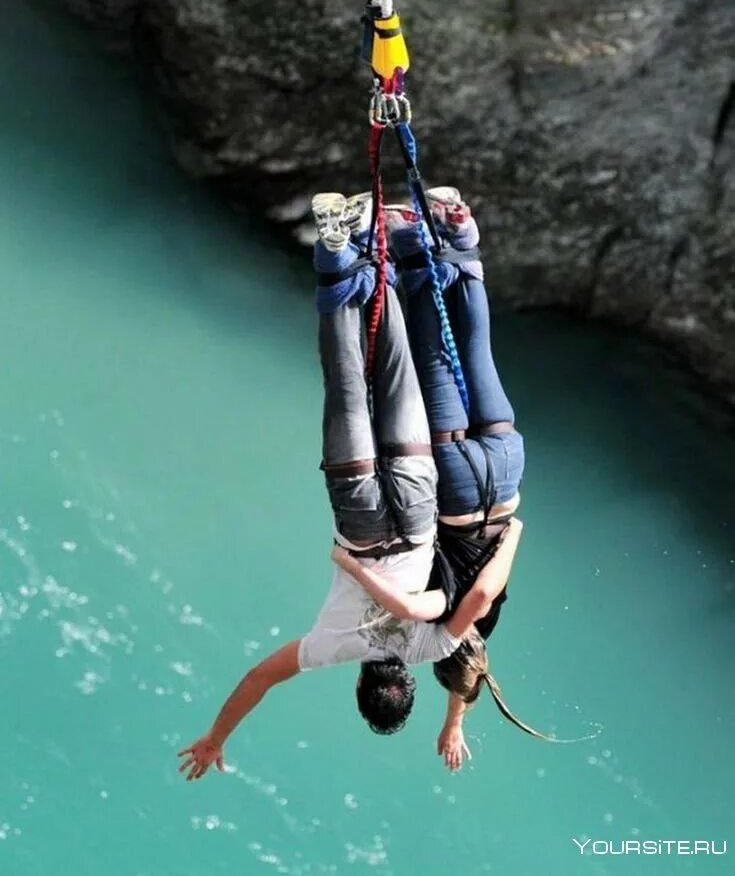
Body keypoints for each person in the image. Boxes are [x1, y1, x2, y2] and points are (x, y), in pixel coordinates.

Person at [178, 192, 494, 782]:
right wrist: (214, 738)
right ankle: (336, 248)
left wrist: (455, 723)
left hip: (419, 505)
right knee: (348, 385)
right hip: (360, 518)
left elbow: (472, 652)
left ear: (404, 683)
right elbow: (258, 680)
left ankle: (377, 256)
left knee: (395, 371)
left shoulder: (429, 650)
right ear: (358, 682)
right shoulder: (328, 647)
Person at [332, 187, 527, 771]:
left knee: (475, 349)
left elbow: (469, 664)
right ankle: (416, 240)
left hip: (507, 471)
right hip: (459, 490)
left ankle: (462, 238)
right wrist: (351, 567)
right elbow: (433, 613)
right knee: (432, 359)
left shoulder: (473, 633)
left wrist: (453, 724)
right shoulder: (436, 625)